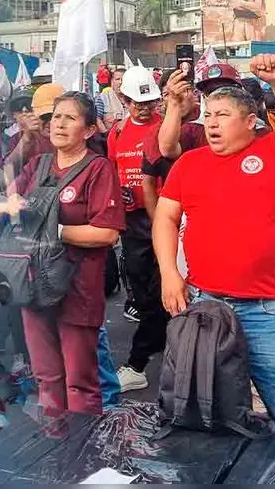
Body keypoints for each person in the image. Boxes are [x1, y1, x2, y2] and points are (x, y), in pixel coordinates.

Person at [154, 54, 275, 430]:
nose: (212, 123)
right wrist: (168, 273)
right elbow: (165, 216)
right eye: (208, 115)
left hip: (267, 310)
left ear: (250, 121)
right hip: (205, 304)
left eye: (223, 115)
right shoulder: (190, 163)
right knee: (208, 403)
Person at [0, 91, 125, 418]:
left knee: (80, 382)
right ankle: (56, 450)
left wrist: (54, 233)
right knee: (47, 378)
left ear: (88, 130)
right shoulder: (39, 165)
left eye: (70, 117)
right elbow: (4, 201)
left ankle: (84, 457)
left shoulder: (98, 169)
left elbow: (106, 233)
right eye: (56, 116)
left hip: (77, 289)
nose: (59, 123)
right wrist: (9, 208)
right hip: (33, 287)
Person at [107, 66, 170, 394]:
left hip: (168, 219)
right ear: (125, 100)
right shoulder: (116, 133)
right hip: (133, 224)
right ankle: (157, 351)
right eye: (137, 102)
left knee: (171, 289)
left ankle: (139, 361)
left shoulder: (169, 130)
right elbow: (111, 171)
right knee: (144, 293)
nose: (144, 108)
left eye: (150, 101)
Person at [2, 85, 57, 186]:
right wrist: (27, 138)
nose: (24, 110)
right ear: (12, 113)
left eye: (28, 105)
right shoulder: (17, 138)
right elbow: (8, 173)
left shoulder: (64, 135)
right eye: (17, 106)